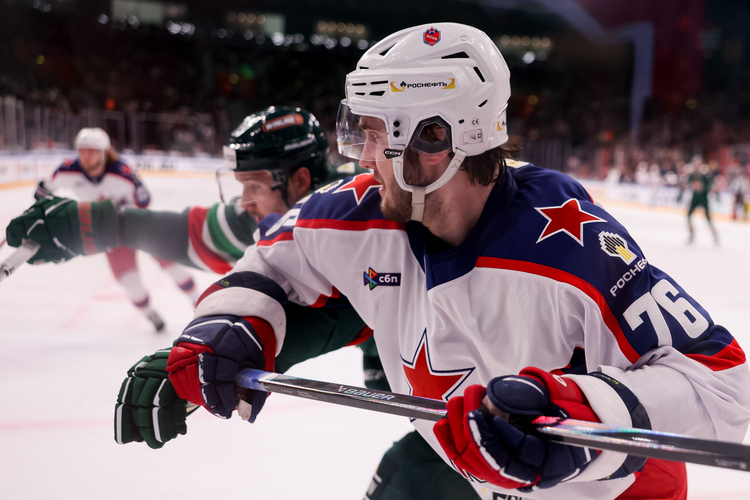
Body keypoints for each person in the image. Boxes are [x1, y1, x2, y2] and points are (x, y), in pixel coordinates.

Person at [156, 23, 749, 500]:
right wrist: (229, 321)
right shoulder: (357, 211)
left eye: (375, 135)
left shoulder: (568, 246)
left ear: (436, 140)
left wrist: (583, 414)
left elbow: (725, 384)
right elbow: (269, 261)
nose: (362, 158)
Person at [6, 106, 478, 499]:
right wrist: (86, 224)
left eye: (254, 186)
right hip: (426, 387)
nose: (244, 202)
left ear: (299, 181)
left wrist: (219, 358)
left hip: (478, 388)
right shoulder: (281, 214)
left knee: (411, 479)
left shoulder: (366, 219)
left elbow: (337, 317)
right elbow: (191, 232)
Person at [33, 127, 201, 330]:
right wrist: (39, 207)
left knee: (171, 263)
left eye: (92, 151)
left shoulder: (122, 172)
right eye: (82, 150)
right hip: (110, 233)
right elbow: (44, 190)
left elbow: (144, 202)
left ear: (104, 152)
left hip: (139, 224)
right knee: (130, 282)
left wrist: (114, 213)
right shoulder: (67, 170)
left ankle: (199, 301)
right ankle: (150, 314)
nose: (86, 156)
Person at [684, 160, 719, 244]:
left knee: (708, 219)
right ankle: (691, 234)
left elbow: (712, 184)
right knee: (688, 216)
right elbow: (687, 184)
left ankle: (715, 235)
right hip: (695, 199)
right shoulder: (692, 176)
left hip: (703, 199)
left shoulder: (704, 177)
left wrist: (712, 190)